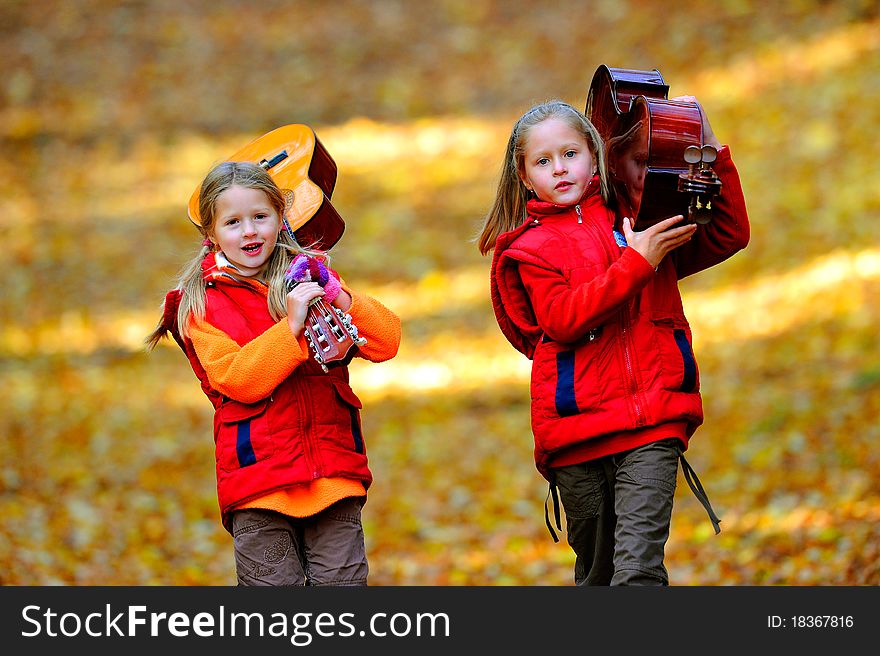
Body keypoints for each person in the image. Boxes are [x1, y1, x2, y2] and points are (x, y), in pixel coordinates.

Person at [477, 99, 749, 585]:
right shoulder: (528, 250)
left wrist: (711, 152)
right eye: (543, 161)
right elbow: (563, 319)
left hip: (653, 420)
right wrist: (636, 264)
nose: (560, 169)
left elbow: (728, 232)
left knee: (638, 573)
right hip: (578, 435)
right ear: (524, 176)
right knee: (598, 579)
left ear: (595, 155)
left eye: (570, 154)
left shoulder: (641, 216)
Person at [146, 161, 401, 586]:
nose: (249, 232)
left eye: (260, 217)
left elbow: (387, 340)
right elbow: (238, 379)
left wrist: (338, 294)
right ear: (211, 234)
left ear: (281, 218)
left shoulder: (311, 280)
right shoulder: (200, 306)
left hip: (333, 476)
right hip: (259, 487)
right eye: (233, 222)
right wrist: (292, 329)